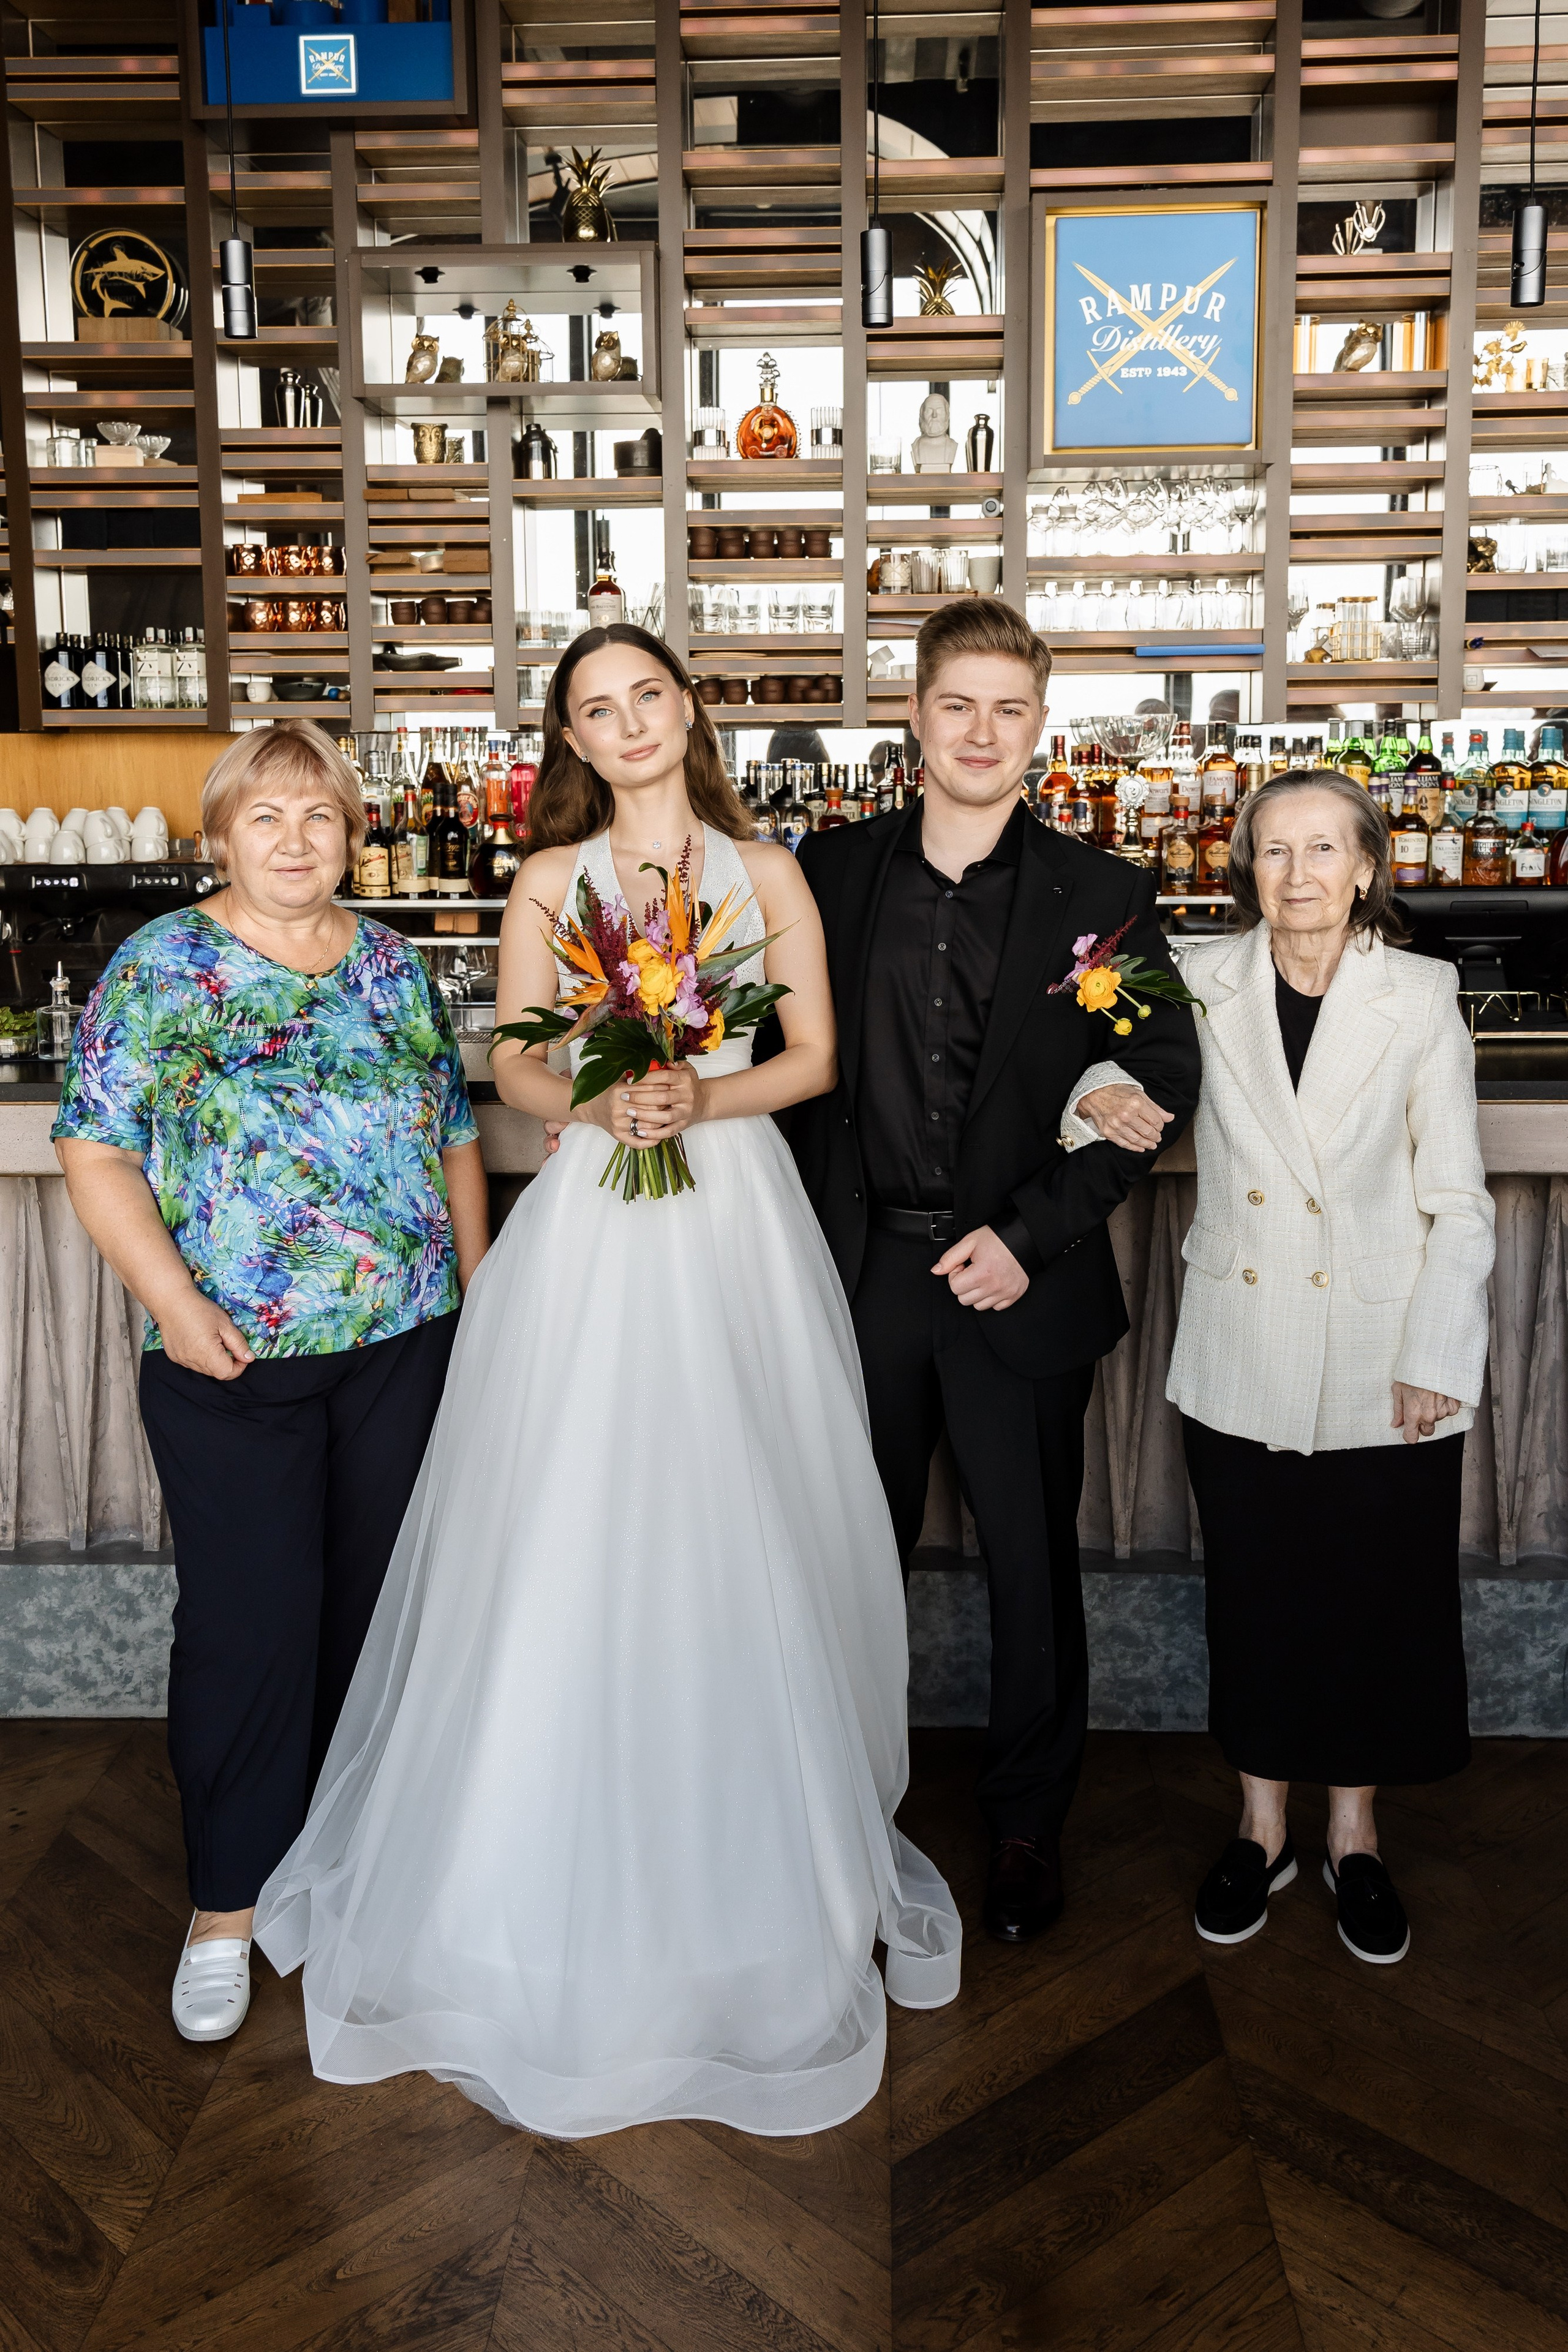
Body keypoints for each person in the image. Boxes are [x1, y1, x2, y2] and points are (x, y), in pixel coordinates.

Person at [252, 623, 960, 2139]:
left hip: (732, 1210)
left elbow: (816, 1056)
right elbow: (506, 1065)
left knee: (733, 1505)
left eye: (646, 696)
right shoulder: (543, 884)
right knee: (565, 1512)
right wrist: (595, 1081)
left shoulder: (762, 876)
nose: (626, 722)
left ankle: (760, 1872)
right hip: (587, 1209)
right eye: (594, 709)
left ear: (684, 711)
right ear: (568, 739)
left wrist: (698, 1088)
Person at [51, 722, 488, 2043]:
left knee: (375, 1622)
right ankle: (227, 1909)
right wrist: (175, 1309)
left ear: (355, 834)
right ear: (221, 836)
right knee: (249, 1629)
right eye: (266, 818)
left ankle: (350, 1875)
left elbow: (456, 1142)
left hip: (402, 1349)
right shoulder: (161, 966)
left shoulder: (395, 968)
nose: (296, 841)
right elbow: (97, 1154)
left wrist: (481, 1314)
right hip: (228, 1358)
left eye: (321, 817)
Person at [784, 598, 1204, 1943]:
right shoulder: (826, 870)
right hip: (856, 1281)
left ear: (1038, 728)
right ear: (912, 714)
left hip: (1019, 1279)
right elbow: (751, 1043)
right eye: (954, 703)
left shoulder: (1101, 894)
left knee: (1031, 1568)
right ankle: (840, 1814)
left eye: (1006, 709)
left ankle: (1025, 1827)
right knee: (844, 1559)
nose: (979, 731)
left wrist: (1028, 1238)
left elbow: (1156, 1077)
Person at [1079, 769, 1494, 1965]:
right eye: (1272, 851)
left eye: (1322, 850)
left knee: (1370, 1602)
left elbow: (1456, 1203)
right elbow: (1095, 1075)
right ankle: (1260, 1830)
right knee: (1256, 1596)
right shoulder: (1196, 979)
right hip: (1242, 1340)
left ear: (1366, 866)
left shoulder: (1418, 995)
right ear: (1244, 869)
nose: (1297, 875)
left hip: (1380, 1352)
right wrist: (1093, 1088)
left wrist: (1435, 1356)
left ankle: (1351, 1837)